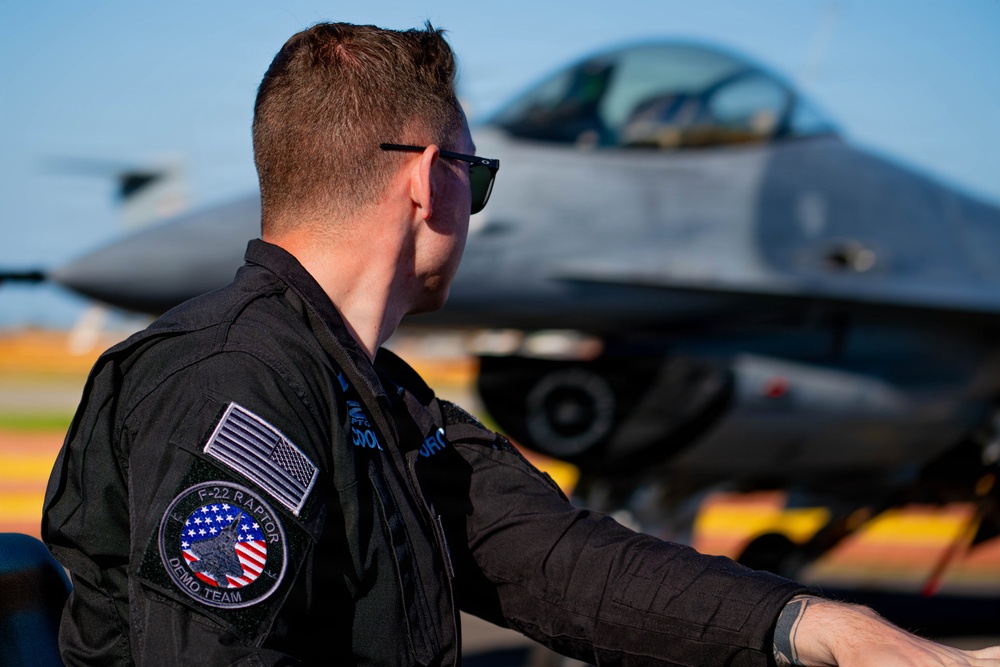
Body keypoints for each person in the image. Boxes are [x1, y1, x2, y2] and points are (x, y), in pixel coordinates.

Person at [42, 22, 1000, 667]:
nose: (476, 198)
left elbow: (552, 560)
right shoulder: (236, 386)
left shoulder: (374, 395)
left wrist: (818, 624)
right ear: (430, 181)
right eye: (478, 172)